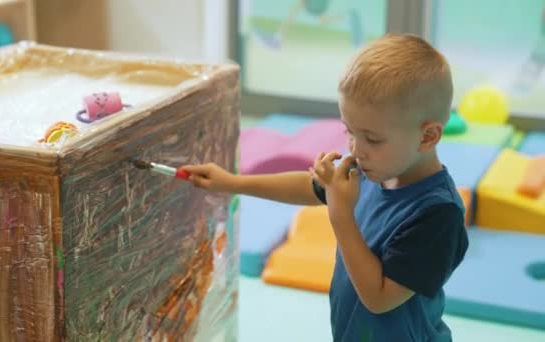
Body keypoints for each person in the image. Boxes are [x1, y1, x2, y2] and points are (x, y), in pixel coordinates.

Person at [182, 33, 469, 341]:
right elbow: (310, 187)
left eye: (372, 138)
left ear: (427, 137)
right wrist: (231, 182)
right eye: (349, 131)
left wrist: (340, 213)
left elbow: (379, 298)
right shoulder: (375, 167)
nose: (356, 149)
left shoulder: (438, 213)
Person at [253, 0, 363, 49]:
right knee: (325, 18)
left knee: (301, 6)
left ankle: (278, 40)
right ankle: (278, 39)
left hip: (317, 6)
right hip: (318, 6)